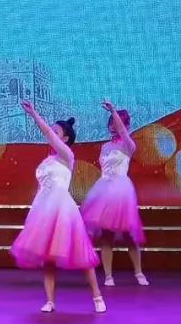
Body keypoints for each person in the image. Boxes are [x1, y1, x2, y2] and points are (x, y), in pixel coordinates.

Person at [10, 101, 105, 313]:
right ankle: (50, 300)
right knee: (48, 257)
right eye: (51, 131)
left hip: (62, 209)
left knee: (81, 254)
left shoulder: (67, 156)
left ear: (65, 139)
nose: (51, 134)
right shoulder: (48, 160)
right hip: (44, 209)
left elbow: (47, 134)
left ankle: (97, 296)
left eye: (56, 132)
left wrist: (34, 114)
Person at [81, 101, 148, 286]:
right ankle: (108, 275)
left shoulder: (128, 145)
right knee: (106, 235)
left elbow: (123, 133)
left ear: (125, 125)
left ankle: (139, 272)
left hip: (121, 191)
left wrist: (113, 110)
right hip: (104, 191)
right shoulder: (105, 147)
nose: (113, 125)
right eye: (110, 122)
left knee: (128, 234)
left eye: (116, 122)